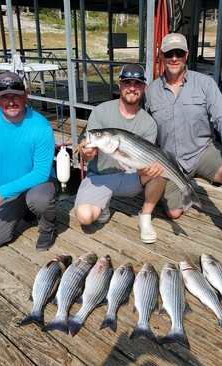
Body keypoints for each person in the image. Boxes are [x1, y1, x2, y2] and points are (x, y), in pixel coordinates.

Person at [145, 33, 222, 271]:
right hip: (171, 161)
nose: (174, 58)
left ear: (187, 55)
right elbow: (143, 129)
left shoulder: (205, 83)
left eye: (179, 53)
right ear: (162, 56)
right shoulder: (150, 91)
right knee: (175, 213)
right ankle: (185, 191)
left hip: (203, 152)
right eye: (169, 54)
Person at [0, 71, 58, 251]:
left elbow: (41, 173)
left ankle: (48, 227)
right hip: (8, 188)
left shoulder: (41, 126)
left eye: (16, 96)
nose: (11, 102)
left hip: (38, 184)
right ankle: (25, 210)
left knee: (39, 199)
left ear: (26, 94)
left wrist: (0, 192)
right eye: (4, 97)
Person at [75, 64, 166, 244]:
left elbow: (142, 167)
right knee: (84, 217)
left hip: (131, 176)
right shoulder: (101, 111)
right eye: (127, 83)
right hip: (100, 177)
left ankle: (145, 216)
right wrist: (87, 153)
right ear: (119, 84)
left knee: (161, 171)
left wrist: (151, 169)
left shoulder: (149, 123)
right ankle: (104, 206)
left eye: (137, 83)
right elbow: (86, 154)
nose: (132, 88)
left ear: (144, 87)